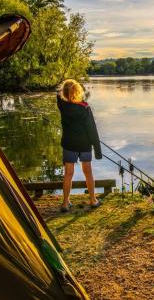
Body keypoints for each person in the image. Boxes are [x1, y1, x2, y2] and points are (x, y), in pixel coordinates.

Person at [57, 79, 102, 212]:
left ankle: (65, 203)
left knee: (68, 174)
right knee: (88, 172)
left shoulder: (62, 106)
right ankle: (93, 200)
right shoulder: (85, 108)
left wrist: (66, 90)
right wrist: (98, 151)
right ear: (78, 91)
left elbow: (58, 96)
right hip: (84, 145)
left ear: (63, 93)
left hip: (69, 144)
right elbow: (92, 130)